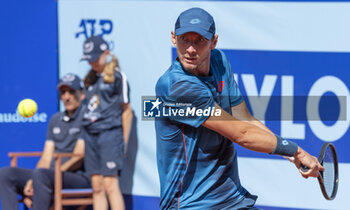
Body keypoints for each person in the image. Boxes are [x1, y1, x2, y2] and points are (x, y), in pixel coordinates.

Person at [155, 7, 323, 209]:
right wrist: (296, 151)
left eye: (199, 40)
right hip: (190, 204)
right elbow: (241, 134)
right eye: (184, 39)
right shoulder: (176, 87)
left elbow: (245, 119)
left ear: (213, 42)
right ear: (174, 38)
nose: (190, 49)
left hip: (231, 199)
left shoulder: (219, 62)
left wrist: (290, 155)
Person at [0, 73, 91, 210]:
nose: (66, 97)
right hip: (49, 176)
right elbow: (46, 156)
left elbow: (77, 157)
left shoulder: (87, 117)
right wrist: (32, 180)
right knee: (6, 173)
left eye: (71, 92)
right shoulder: (55, 119)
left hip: (77, 177)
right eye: (63, 92)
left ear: (82, 94)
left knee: (41, 175)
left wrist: (44, 175)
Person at [81, 35, 133, 210]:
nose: (91, 63)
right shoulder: (88, 80)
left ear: (106, 53)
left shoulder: (118, 77)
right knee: (97, 187)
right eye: (88, 60)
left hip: (110, 135)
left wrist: (123, 143)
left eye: (94, 58)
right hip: (90, 135)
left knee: (110, 185)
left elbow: (127, 112)